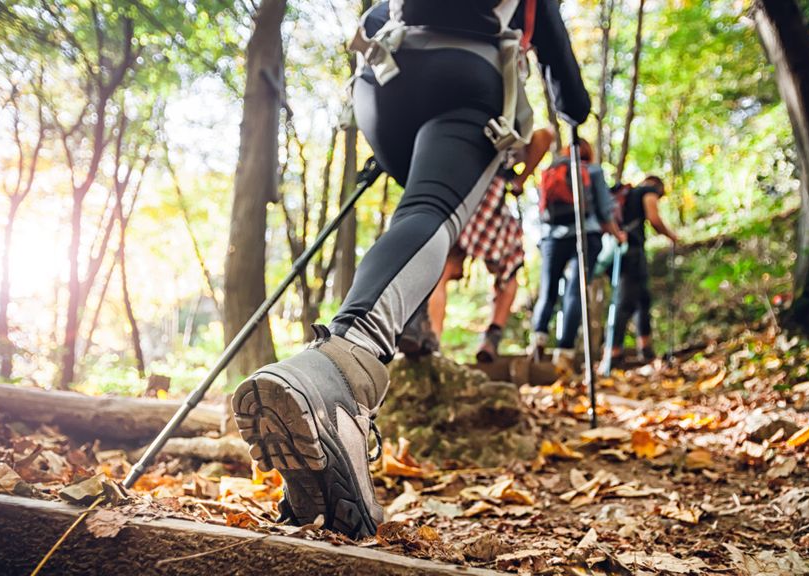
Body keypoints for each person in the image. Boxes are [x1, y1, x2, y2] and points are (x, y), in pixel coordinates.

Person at [232, 0, 590, 539]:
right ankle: (343, 372)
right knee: (431, 212)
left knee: (418, 209)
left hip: (381, 79)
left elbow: (378, 14)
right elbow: (563, 78)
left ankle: (404, 336)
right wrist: (574, 111)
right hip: (464, 77)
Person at [407, 127, 554, 363]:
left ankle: (430, 338)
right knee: (508, 271)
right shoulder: (505, 122)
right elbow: (545, 135)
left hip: (456, 195)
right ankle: (491, 337)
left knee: (441, 271)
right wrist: (520, 179)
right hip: (491, 199)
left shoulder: (456, 129)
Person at [528, 139, 625, 372]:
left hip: (552, 237)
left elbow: (540, 212)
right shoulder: (593, 171)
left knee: (548, 291)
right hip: (586, 235)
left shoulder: (551, 170)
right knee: (575, 291)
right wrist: (617, 234)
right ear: (588, 153)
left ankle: (537, 340)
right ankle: (564, 353)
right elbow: (604, 209)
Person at [599, 175, 679, 371]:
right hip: (631, 251)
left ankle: (645, 349)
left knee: (642, 298)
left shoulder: (625, 196)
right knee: (624, 301)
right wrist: (671, 236)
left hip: (617, 252)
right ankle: (613, 353)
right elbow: (653, 218)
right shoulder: (647, 191)